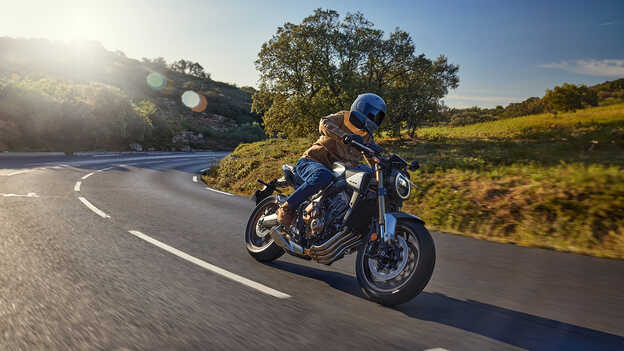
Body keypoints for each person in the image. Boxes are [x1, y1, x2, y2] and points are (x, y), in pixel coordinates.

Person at [277, 93, 387, 226]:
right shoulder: (344, 117)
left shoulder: (367, 137)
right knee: (323, 175)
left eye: (378, 116)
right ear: (361, 107)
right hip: (313, 161)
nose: (374, 118)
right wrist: (344, 136)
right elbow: (324, 123)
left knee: (367, 180)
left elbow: (372, 155)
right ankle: (287, 207)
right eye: (372, 113)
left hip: (339, 172)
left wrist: (384, 166)